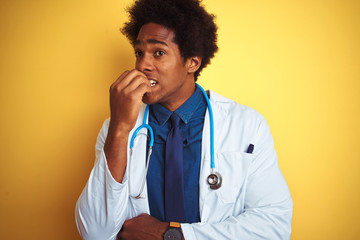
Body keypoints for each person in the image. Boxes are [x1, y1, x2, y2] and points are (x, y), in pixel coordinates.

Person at [75, 0, 293, 239]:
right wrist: (119, 129)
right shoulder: (116, 129)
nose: (142, 65)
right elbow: (95, 232)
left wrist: (171, 235)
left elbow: (274, 226)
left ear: (192, 62)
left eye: (158, 52)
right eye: (139, 53)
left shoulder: (247, 125)